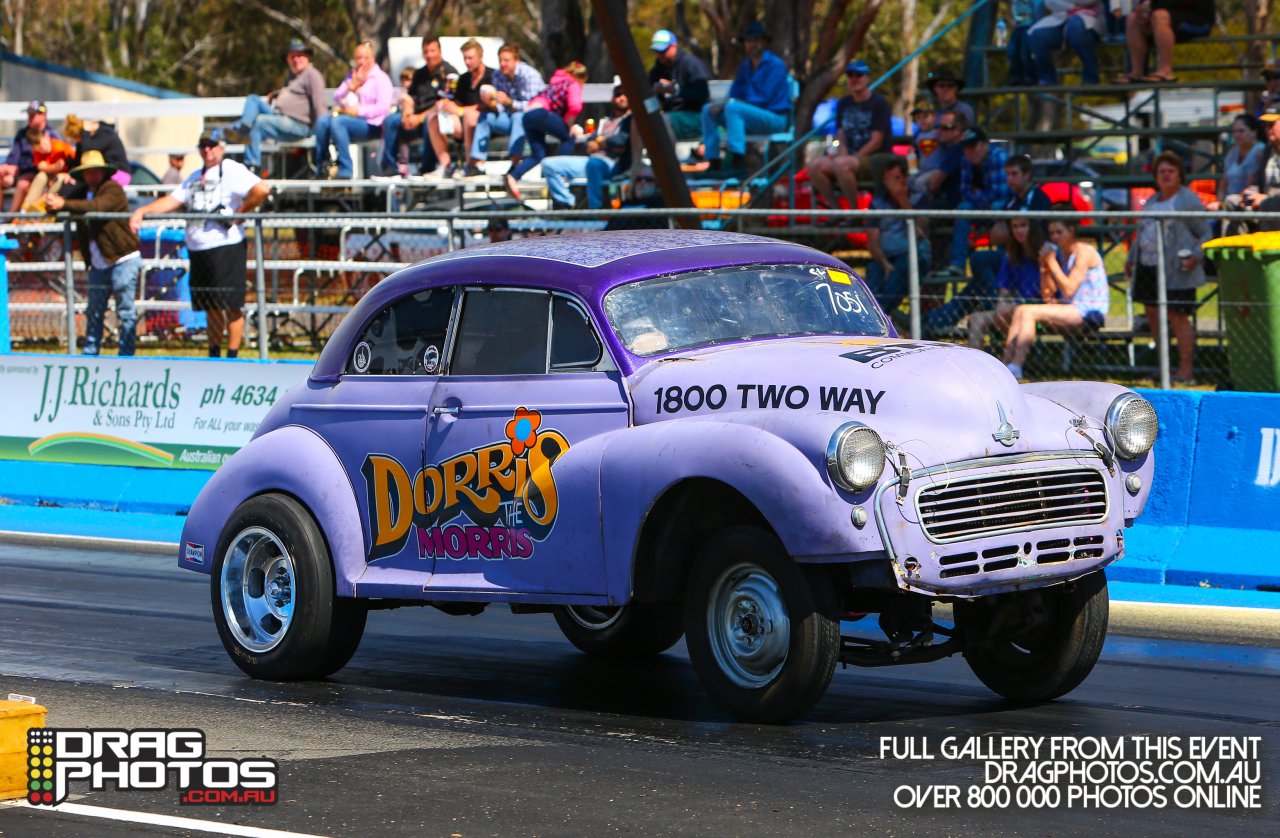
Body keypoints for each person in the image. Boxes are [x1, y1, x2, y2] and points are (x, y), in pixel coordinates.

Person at [129, 131, 270, 358]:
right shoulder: (195, 176)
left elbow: (261, 189)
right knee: (211, 306)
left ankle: (232, 356)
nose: (207, 150)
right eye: (203, 145)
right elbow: (173, 200)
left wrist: (239, 213)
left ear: (221, 147)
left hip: (227, 247)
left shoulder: (231, 169)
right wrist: (143, 210)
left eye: (212, 145)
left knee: (232, 305)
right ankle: (214, 354)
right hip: (199, 250)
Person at [1124, 152, 1212, 383]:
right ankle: (1164, 367)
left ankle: (1186, 371)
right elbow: (1141, 232)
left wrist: (1196, 255)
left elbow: (1205, 232)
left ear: (1180, 175)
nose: (1165, 175)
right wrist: (1132, 258)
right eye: (1161, 171)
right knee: (1153, 315)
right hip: (1148, 266)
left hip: (1176, 269)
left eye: (1170, 171)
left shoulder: (1188, 199)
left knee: (1177, 316)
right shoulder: (1153, 200)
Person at [46, 151, 142, 356]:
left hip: (122, 258)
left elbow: (96, 208)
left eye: (96, 171)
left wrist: (64, 204)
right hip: (99, 263)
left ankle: (126, 356)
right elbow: (64, 207)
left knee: (125, 311)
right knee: (95, 311)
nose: (92, 176)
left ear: (103, 172)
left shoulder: (113, 189)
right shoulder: (81, 193)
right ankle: (90, 354)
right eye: (88, 172)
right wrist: (53, 202)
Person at [1002, 207, 1110, 379]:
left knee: (1029, 311)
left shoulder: (1084, 252)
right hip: (1070, 309)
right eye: (1052, 233)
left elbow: (1068, 290)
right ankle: (1004, 364)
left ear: (1071, 230)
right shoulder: (1062, 254)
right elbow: (1048, 296)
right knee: (1021, 310)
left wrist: (1051, 262)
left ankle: (1016, 367)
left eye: (1059, 232)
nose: (1055, 237)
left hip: (1089, 312)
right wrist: (1044, 269)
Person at [224, 39, 327, 176]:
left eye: (300, 55)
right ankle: (241, 130)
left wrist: (323, 133)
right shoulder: (292, 76)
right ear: (288, 59)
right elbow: (295, 94)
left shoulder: (312, 75)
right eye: (292, 56)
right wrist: (279, 94)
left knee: (258, 122)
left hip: (298, 125)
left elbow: (319, 105)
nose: (296, 59)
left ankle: (252, 166)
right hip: (280, 118)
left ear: (307, 57)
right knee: (253, 99)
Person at [700, 22, 791, 175]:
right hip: (748, 117)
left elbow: (764, 99)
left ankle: (737, 161)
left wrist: (729, 103)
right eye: (748, 41)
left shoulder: (775, 65)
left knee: (733, 108)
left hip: (774, 118)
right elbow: (735, 93)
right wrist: (721, 104)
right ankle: (713, 161)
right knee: (707, 110)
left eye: (756, 41)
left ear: (764, 42)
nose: (752, 44)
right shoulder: (745, 66)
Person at [807, 59, 890, 223]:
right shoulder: (844, 103)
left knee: (842, 164)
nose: (854, 79)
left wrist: (853, 157)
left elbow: (877, 141)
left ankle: (854, 213)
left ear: (867, 79)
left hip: (874, 159)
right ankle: (836, 211)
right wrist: (843, 153)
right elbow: (841, 134)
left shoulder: (879, 103)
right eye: (850, 75)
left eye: (859, 75)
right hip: (848, 159)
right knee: (814, 166)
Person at [539, 81, 632, 210]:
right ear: (612, 98)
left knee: (594, 164)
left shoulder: (632, 120)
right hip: (592, 161)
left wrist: (600, 143)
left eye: (626, 95)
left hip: (614, 164)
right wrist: (594, 144)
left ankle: (595, 211)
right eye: (618, 95)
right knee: (548, 164)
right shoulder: (604, 121)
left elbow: (622, 140)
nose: (622, 98)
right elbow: (589, 143)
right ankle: (568, 204)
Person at [506, 61, 588, 200]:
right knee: (568, 138)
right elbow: (575, 107)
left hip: (528, 115)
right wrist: (569, 124)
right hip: (541, 113)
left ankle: (513, 176)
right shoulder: (573, 83)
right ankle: (560, 172)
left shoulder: (556, 81)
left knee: (539, 154)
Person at [313, 42, 393, 179]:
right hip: (350, 121)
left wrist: (358, 111)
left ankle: (346, 169)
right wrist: (351, 86)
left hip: (372, 125)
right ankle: (322, 165)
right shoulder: (352, 76)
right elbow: (337, 97)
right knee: (322, 121)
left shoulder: (381, 79)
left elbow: (383, 107)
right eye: (358, 58)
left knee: (338, 122)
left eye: (365, 58)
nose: (361, 62)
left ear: (372, 58)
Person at [380, 36, 457, 178]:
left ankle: (427, 167)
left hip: (436, 119)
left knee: (430, 119)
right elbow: (411, 97)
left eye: (433, 51)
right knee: (391, 120)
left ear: (440, 51)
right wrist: (407, 114)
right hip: (415, 118)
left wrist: (419, 117)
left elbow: (445, 104)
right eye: (426, 51)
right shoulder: (419, 74)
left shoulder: (449, 73)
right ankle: (389, 167)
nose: (429, 55)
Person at [967, 215, 1047, 350]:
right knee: (977, 319)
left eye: (1023, 225)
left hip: (1039, 307)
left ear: (1032, 228)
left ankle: (1011, 358)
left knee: (1011, 311)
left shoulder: (1045, 252)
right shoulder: (1011, 255)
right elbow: (1004, 290)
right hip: (1014, 307)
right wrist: (1002, 304)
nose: (1018, 230)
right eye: (1015, 227)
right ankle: (973, 368)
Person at [941, 128, 1011, 277]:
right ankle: (957, 264)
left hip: (1000, 206)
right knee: (963, 208)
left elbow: (1000, 194)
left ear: (985, 144)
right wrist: (980, 195)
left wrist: (976, 193)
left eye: (973, 146)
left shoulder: (999, 157)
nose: (970, 151)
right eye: (966, 148)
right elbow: (965, 192)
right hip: (980, 206)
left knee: (998, 206)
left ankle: (1003, 261)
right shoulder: (966, 160)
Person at [865, 157, 929, 315]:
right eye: (887, 179)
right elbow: (872, 241)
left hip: (913, 256)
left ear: (905, 178)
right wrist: (885, 264)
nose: (891, 183)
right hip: (885, 258)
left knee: (899, 273)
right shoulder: (877, 203)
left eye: (896, 178)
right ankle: (876, 316)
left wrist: (902, 199)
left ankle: (877, 318)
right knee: (873, 276)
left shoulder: (919, 198)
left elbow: (920, 231)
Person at [470, 44, 545, 176]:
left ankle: (515, 163)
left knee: (518, 117)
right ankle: (478, 164)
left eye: (506, 60)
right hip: (509, 118)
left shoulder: (529, 75)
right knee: (485, 117)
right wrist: (491, 103)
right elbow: (500, 107)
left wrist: (510, 102)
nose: (502, 64)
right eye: (500, 60)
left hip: (531, 119)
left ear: (516, 60)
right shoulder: (498, 75)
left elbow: (534, 106)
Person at [428, 38, 495, 178]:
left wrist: (461, 110)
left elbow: (489, 105)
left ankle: (471, 165)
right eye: (465, 58)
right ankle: (446, 166)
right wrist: (448, 105)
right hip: (463, 123)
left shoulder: (492, 76)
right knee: (433, 119)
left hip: (485, 122)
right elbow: (458, 103)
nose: (467, 62)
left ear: (480, 57)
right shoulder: (463, 79)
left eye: (471, 58)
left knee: (469, 116)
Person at [1119, 0, 1214, 83]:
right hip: (1164, 20)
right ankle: (1137, 73)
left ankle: (1165, 71)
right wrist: (1143, 10)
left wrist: (1151, 11)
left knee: (1159, 16)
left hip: (1198, 21)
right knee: (1132, 18)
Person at [649, 29, 711, 141]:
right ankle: (636, 158)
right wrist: (653, 93)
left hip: (695, 117)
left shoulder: (691, 64)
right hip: (670, 117)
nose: (660, 55)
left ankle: (667, 158)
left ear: (674, 46)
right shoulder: (656, 71)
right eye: (656, 51)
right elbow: (652, 102)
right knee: (638, 120)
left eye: (663, 51)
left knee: (664, 121)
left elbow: (703, 94)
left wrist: (677, 91)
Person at [0, 101, 61, 212]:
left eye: (33, 114)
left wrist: (19, 168)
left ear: (43, 115)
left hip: (37, 174)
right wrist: (7, 167)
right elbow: (14, 156)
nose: (30, 117)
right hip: (21, 173)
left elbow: (50, 161)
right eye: (29, 114)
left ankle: (10, 217)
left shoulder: (51, 135)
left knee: (23, 183)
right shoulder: (23, 133)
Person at [1028, 1, 1105, 86]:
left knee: (1076, 27)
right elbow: (1049, 2)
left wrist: (1065, 3)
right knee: (1037, 35)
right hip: (1060, 19)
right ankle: (1047, 80)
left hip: (1089, 18)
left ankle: (1091, 78)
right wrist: (1072, 6)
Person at [1210, 114, 1264, 233]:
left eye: (1241, 131)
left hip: (1246, 203)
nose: (1236, 134)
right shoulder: (1233, 152)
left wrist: (1224, 205)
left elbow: (1251, 185)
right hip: (1229, 203)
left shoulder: (1258, 152)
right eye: (1234, 131)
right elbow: (1224, 182)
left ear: (1254, 132)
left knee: (1230, 205)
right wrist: (1220, 202)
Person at [909, 110, 966, 210]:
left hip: (955, 202)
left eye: (945, 128)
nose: (939, 131)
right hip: (945, 195)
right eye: (939, 127)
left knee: (919, 185)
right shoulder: (918, 135)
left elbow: (935, 184)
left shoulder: (958, 149)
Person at [22, 116, 78, 214]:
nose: (43, 148)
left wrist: (51, 169)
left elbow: (74, 164)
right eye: (39, 148)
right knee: (41, 176)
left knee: (60, 178)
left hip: (65, 178)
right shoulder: (37, 153)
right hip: (50, 178)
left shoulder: (61, 148)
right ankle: (25, 210)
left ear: (46, 137)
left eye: (43, 144)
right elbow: (42, 167)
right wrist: (52, 168)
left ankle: (42, 204)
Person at [1242, 107, 1280, 229]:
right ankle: (1236, 246)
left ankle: (1268, 247)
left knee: (1267, 204)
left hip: (1273, 201)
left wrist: (1266, 198)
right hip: (1265, 199)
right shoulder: (1268, 150)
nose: (1268, 129)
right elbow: (1258, 181)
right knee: (1233, 202)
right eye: (1266, 125)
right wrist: (1249, 193)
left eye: (1272, 124)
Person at [604, 167, 669, 230]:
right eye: (638, 179)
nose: (642, 182)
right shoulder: (625, 204)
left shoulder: (660, 207)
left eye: (649, 180)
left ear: (656, 184)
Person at [72, 119, 130, 187]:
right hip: (103, 173)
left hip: (119, 173)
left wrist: (85, 132)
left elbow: (87, 151)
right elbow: (80, 159)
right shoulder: (90, 139)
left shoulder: (106, 133)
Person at [1007, 0, 1042, 86]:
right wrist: (1011, 19)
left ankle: (1030, 76)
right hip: (1018, 27)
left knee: (1025, 52)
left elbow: (1038, 9)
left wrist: (1037, 25)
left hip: (1030, 26)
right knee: (1012, 50)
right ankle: (1015, 76)